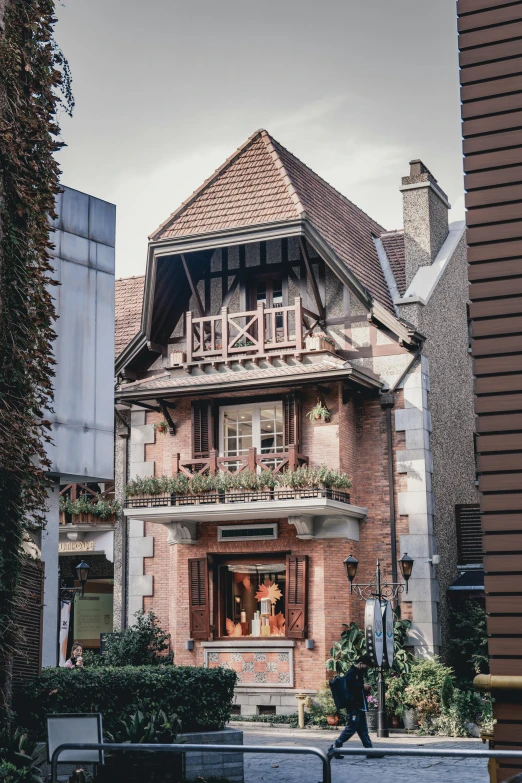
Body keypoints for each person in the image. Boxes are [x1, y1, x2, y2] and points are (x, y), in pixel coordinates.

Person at [327, 654, 380, 759]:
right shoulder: (351, 673)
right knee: (351, 728)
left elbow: (356, 688)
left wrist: (365, 688)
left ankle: (370, 750)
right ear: (361, 663)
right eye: (366, 666)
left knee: (363, 729)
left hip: (359, 705)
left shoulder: (358, 673)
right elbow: (350, 688)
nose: (367, 668)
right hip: (353, 706)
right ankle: (334, 747)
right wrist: (362, 686)